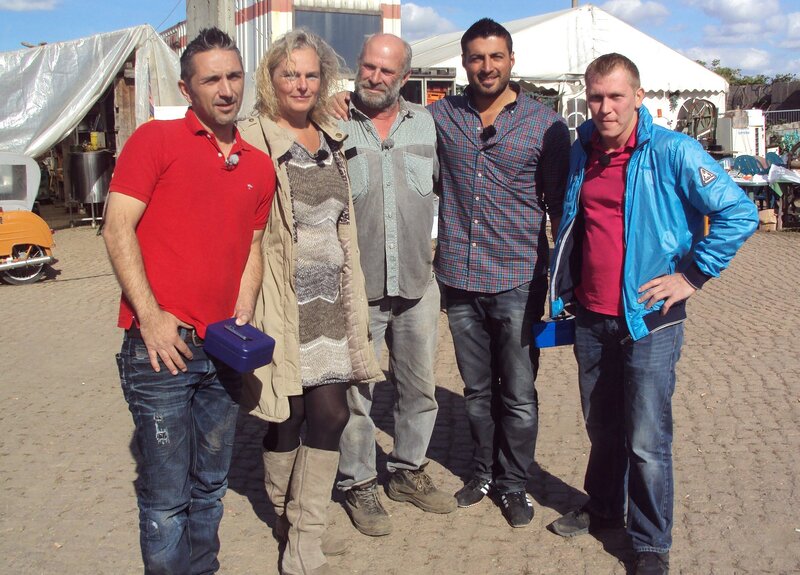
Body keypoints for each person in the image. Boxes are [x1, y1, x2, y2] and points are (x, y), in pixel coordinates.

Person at [546, 53, 758, 574]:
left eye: (616, 96)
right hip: (592, 314)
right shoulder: (583, 149)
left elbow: (739, 212)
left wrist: (692, 276)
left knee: (646, 438)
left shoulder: (673, 150)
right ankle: (603, 508)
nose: (605, 107)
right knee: (602, 427)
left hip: (650, 318)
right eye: (596, 97)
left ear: (638, 97)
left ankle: (650, 543)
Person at [103, 28, 275, 574]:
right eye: (211, 79)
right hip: (161, 349)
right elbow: (116, 228)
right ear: (186, 88)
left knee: (211, 487)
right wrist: (151, 317)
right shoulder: (154, 140)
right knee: (166, 495)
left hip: (222, 349)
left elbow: (252, 246)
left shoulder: (257, 164)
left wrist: (243, 312)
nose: (226, 89)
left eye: (234, 76)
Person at [238, 29, 382, 575]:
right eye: (289, 73)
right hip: (282, 300)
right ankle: (284, 514)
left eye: (310, 74)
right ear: (270, 79)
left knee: (332, 412)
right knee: (287, 415)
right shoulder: (252, 139)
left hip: (333, 300)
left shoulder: (332, 137)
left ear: (323, 80)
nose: (301, 84)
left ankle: (304, 535)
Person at [428, 18, 570, 527]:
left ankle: (514, 483)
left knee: (519, 393)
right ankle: (483, 472)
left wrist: (563, 283)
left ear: (511, 60)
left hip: (517, 278)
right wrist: (344, 102)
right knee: (477, 391)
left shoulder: (547, 125)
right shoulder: (440, 116)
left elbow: (560, 206)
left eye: (495, 57)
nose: (486, 67)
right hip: (459, 278)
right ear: (464, 63)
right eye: (476, 58)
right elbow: (386, 122)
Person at [334, 33, 456, 538]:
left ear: (405, 77)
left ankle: (408, 471)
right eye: (368, 66)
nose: (375, 77)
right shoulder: (331, 122)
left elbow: (452, 188)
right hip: (355, 287)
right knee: (356, 395)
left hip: (417, 281)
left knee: (419, 388)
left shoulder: (429, 124)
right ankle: (358, 482)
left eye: (387, 70)